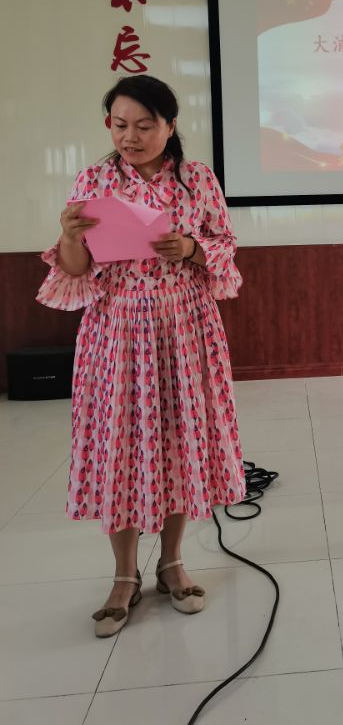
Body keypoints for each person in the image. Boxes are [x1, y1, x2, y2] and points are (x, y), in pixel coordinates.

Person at [37, 75, 246, 638]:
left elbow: (225, 246)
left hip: (185, 329)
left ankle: (172, 563)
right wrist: (70, 236)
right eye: (120, 125)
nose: (130, 136)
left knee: (180, 441)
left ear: (170, 126)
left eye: (144, 125)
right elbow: (75, 269)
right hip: (116, 333)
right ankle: (123, 576)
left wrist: (192, 248)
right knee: (120, 447)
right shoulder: (95, 181)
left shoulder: (197, 180)